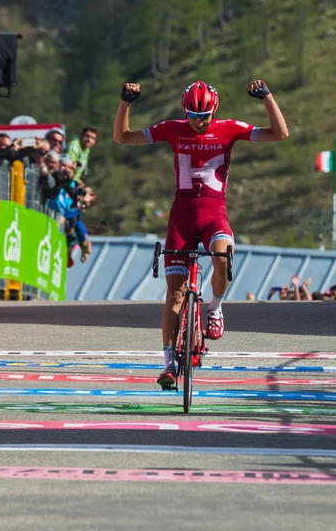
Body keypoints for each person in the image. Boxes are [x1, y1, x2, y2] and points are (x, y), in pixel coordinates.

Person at [113, 79, 289, 389]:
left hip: (213, 212)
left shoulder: (228, 128)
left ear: (214, 110)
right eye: (193, 115)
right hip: (181, 216)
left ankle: (216, 308)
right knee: (175, 296)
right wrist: (125, 103)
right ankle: (168, 365)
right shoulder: (172, 128)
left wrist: (267, 98)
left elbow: (280, 134)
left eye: (204, 115)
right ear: (185, 111)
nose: (198, 121)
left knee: (222, 257)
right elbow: (122, 138)